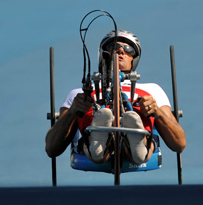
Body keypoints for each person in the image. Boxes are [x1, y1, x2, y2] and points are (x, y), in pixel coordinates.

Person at [45, 30, 186, 165]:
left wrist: (158, 113)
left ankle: (137, 145)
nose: (121, 51)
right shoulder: (78, 94)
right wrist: (72, 112)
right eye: (114, 47)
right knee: (93, 114)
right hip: (92, 141)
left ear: (134, 59)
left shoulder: (153, 90)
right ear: (103, 54)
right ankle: (98, 142)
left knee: (138, 119)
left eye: (128, 49)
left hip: (140, 139)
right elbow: (52, 148)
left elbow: (179, 144)